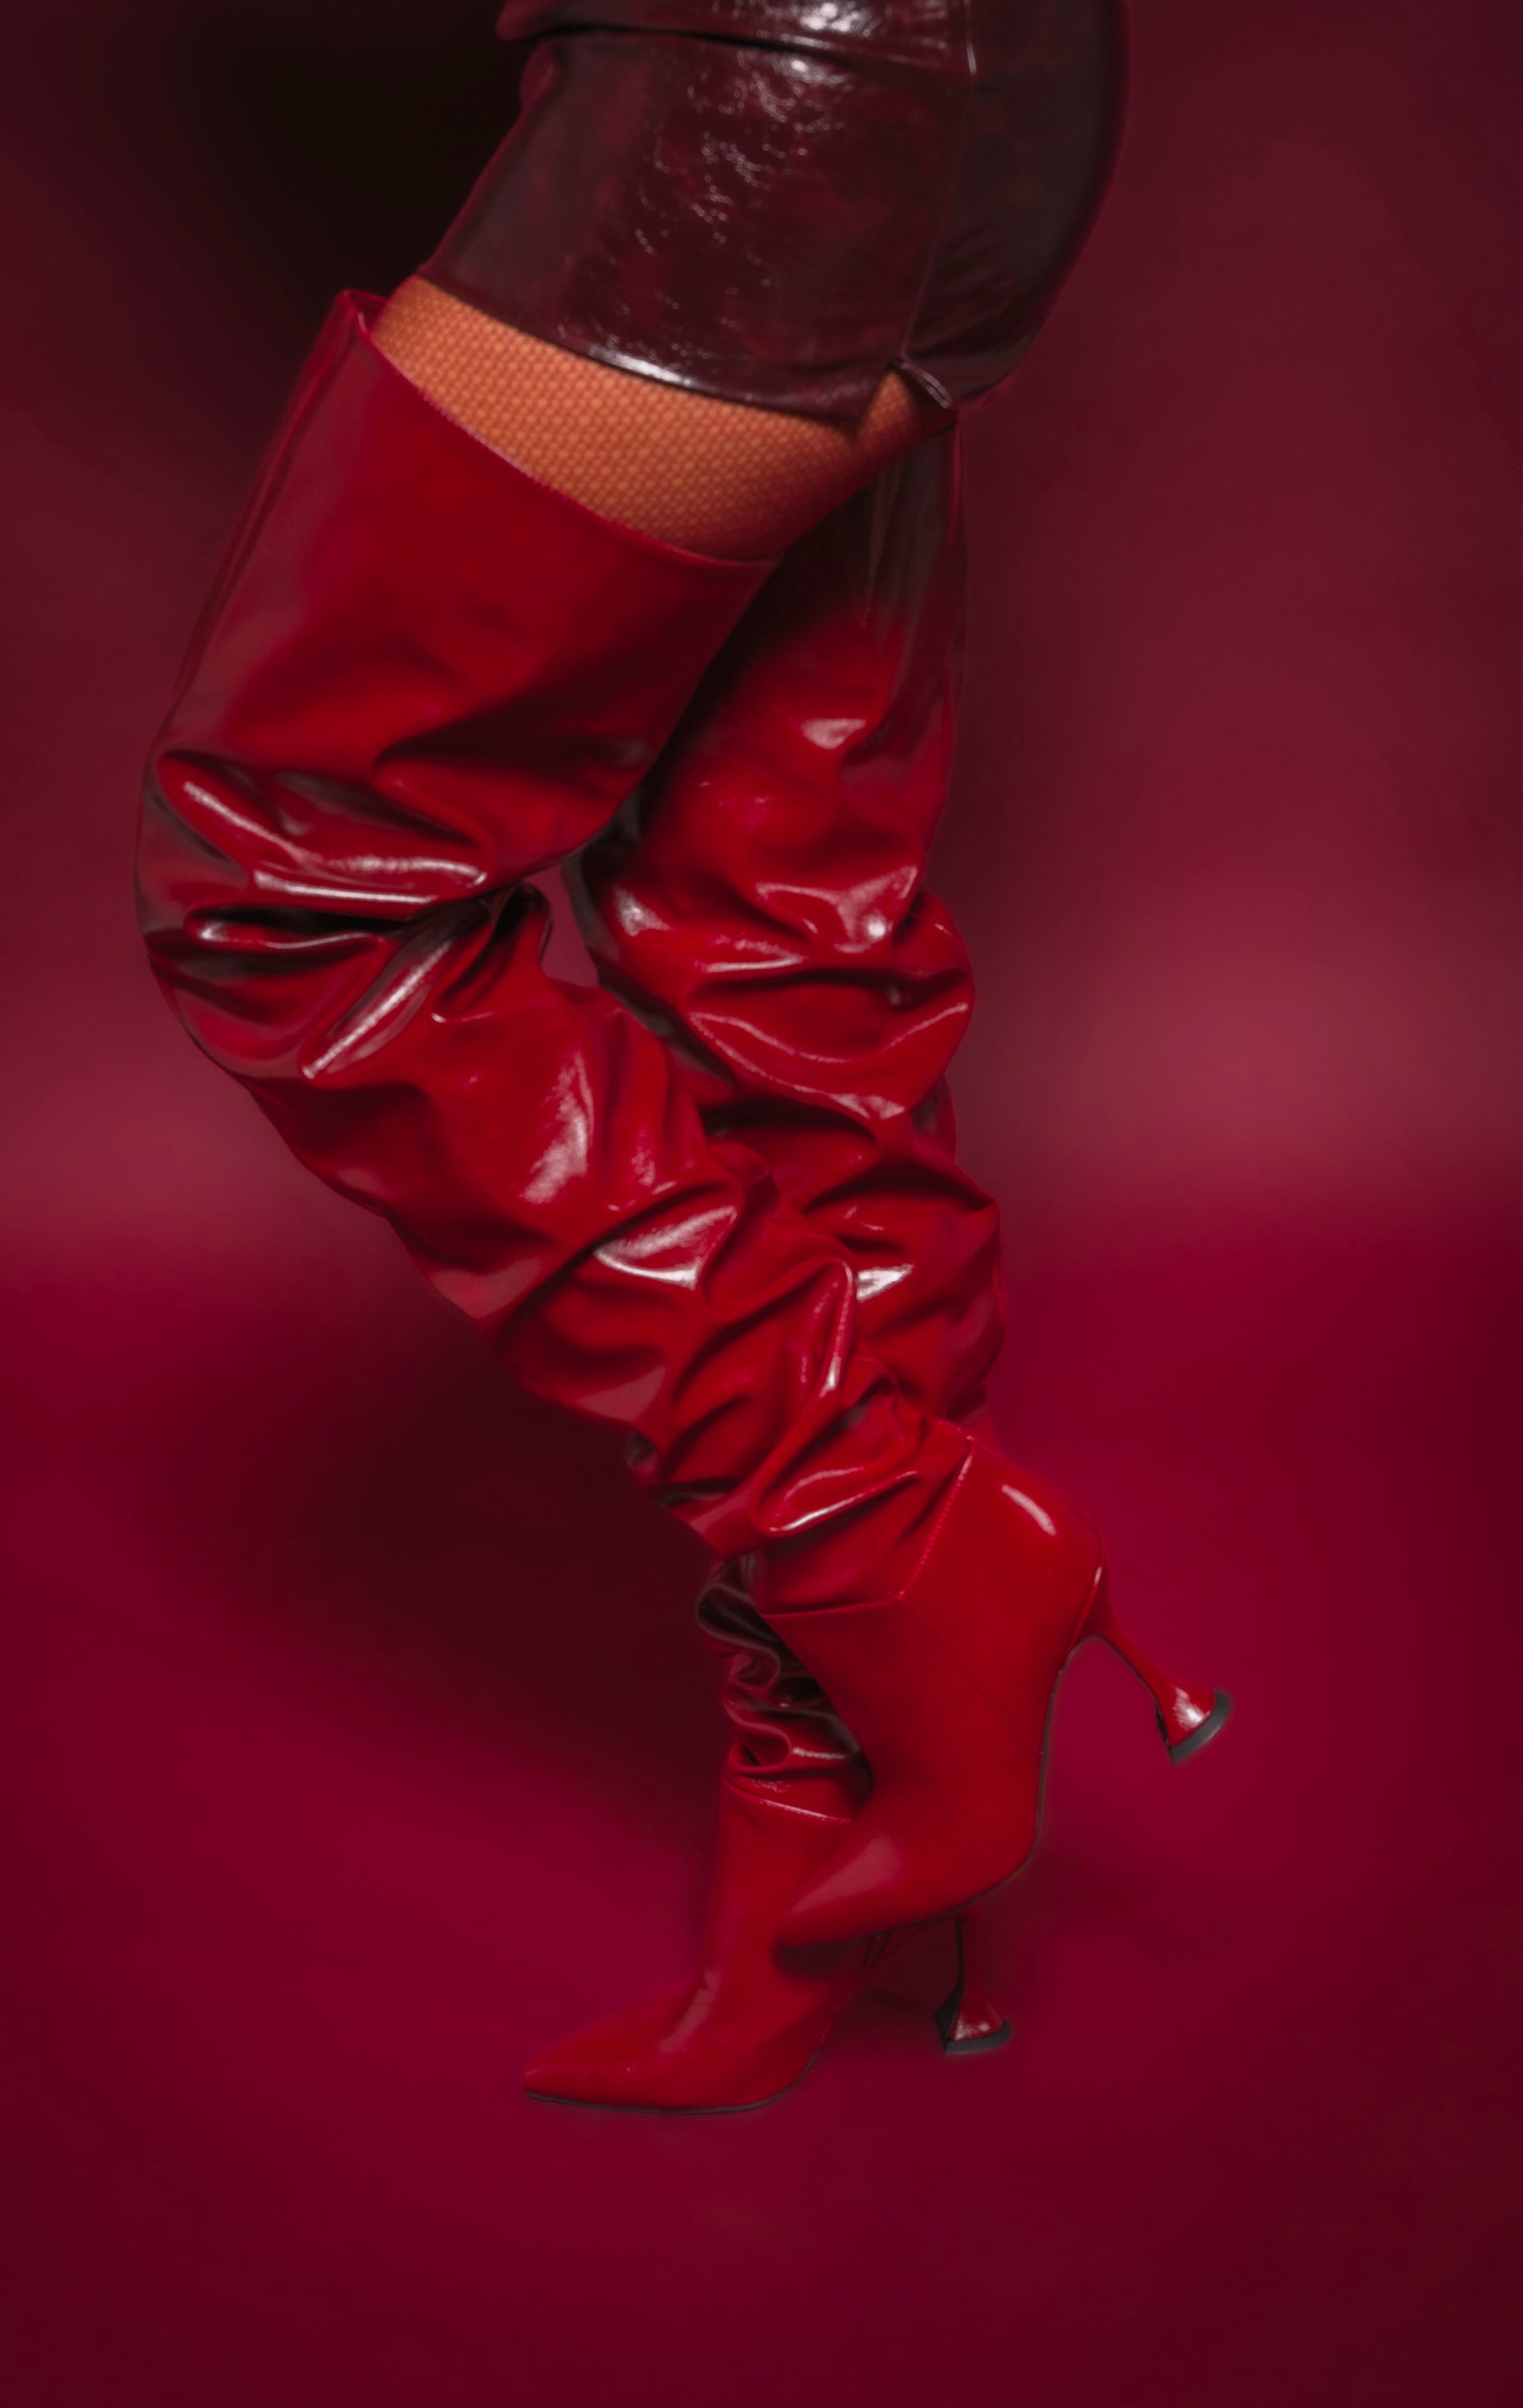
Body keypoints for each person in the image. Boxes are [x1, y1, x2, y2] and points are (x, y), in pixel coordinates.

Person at [137, 0, 1229, 2114]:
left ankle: (903, 1540)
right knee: (785, 935)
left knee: (285, 883)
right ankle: (841, 1846)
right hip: (975, 95)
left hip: (748, 97)